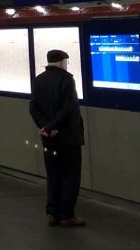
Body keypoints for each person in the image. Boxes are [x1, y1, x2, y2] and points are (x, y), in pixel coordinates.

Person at [29, 49, 85, 228]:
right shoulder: (67, 80)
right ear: (61, 62)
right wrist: (53, 126)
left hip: (49, 139)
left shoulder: (38, 79)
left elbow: (33, 107)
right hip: (68, 138)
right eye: (66, 61)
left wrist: (45, 127)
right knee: (70, 175)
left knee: (53, 175)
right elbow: (68, 108)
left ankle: (52, 213)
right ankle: (66, 215)